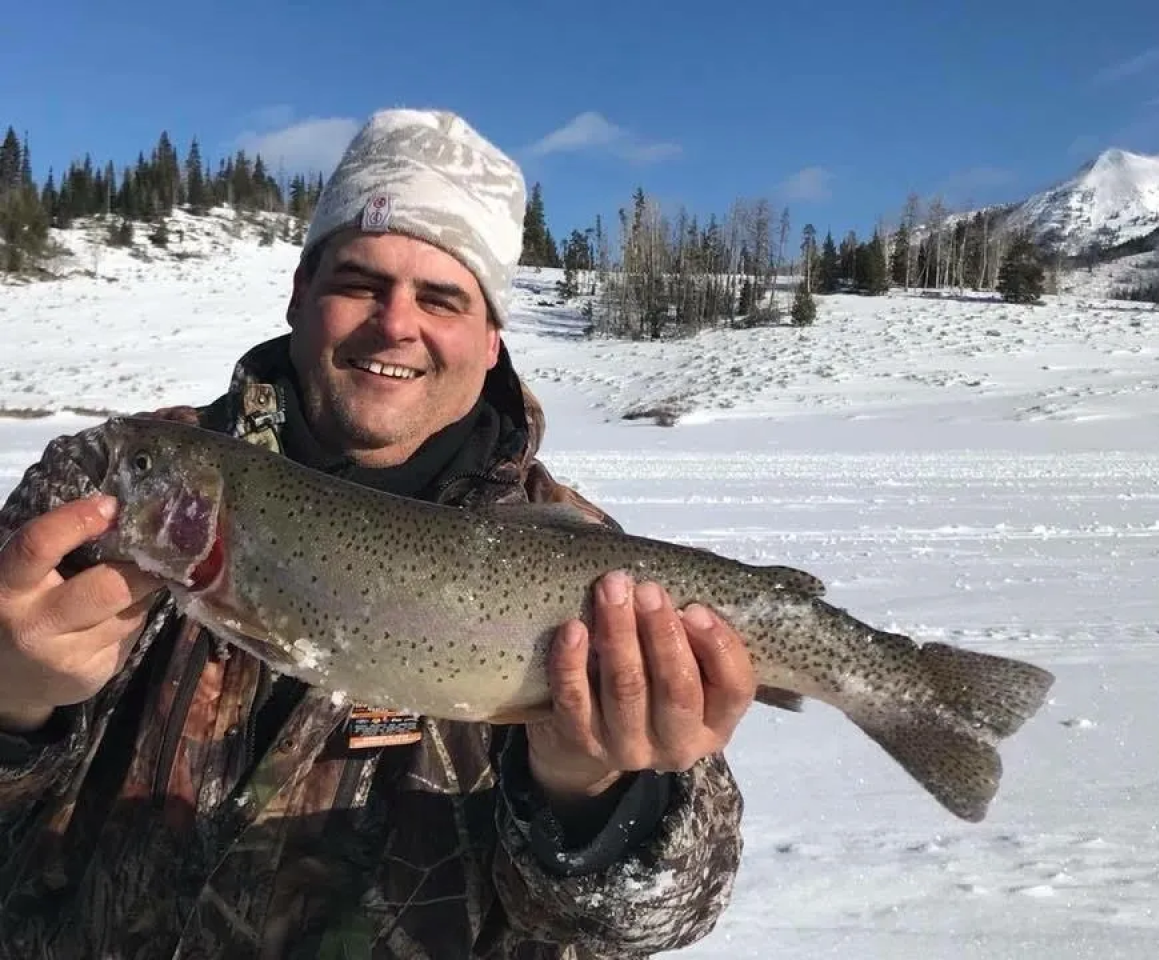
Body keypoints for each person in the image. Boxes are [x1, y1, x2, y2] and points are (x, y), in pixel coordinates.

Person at [0, 109, 757, 959]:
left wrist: (594, 793)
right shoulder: (122, 475)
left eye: (442, 298)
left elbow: (657, 919)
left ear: (492, 336)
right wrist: (10, 704)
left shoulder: (580, 555)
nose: (396, 323)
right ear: (299, 293)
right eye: (360, 282)